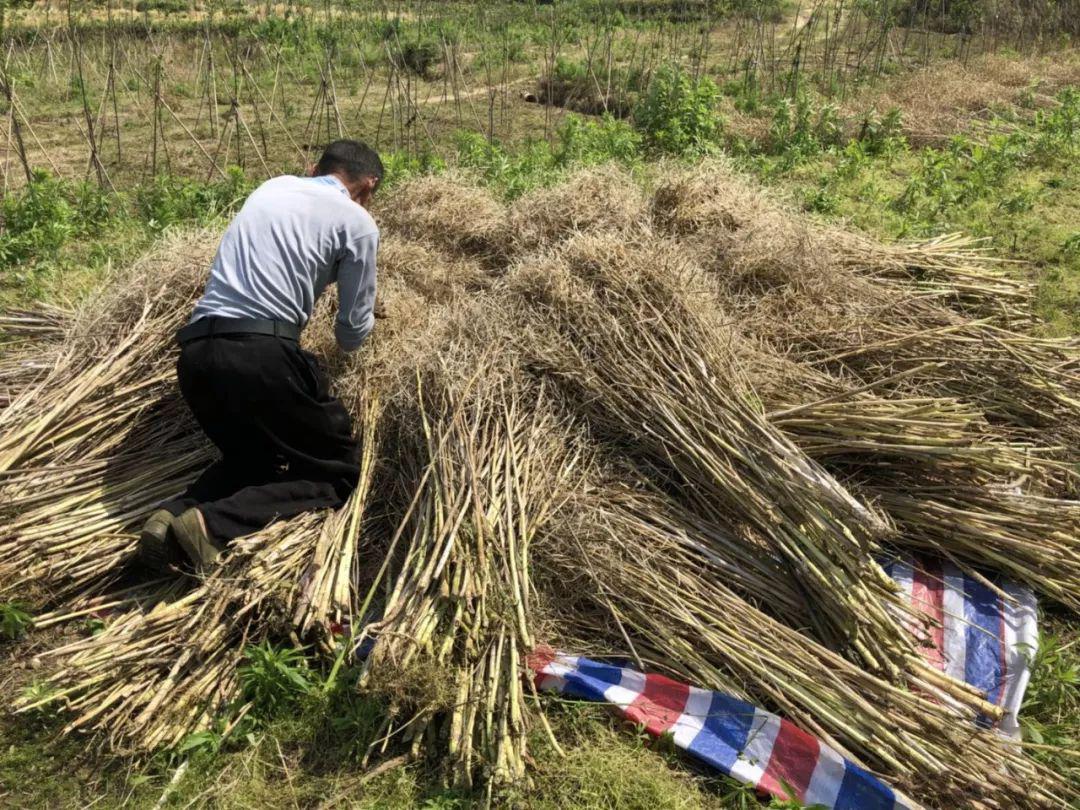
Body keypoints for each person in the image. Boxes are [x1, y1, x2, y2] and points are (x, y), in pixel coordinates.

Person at [137, 139, 383, 573]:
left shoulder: (271, 188)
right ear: (368, 186)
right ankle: (210, 526)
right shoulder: (358, 221)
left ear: (313, 168)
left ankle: (172, 515)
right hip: (260, 355)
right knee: (337, 472)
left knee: (254, 462)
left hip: (196, 354)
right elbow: (350, 333)